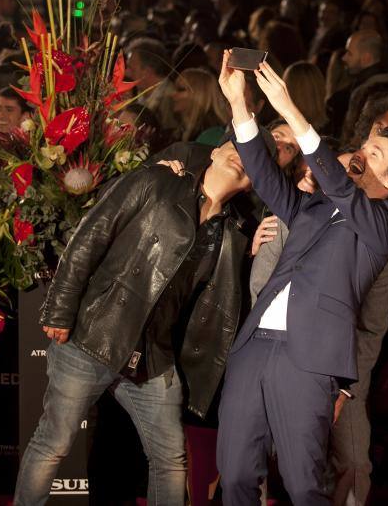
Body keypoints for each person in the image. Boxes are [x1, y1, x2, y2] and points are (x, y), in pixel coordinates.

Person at [216, 53, 388, 505]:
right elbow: (268, 180)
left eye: (377, 154)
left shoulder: (385, 223)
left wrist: (290, 108)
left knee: (304, 484)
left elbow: (342, 185)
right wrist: (239, 106)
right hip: (255, 346)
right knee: (233, 478)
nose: (362, 154)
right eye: (364, 147)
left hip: (308, 359)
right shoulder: (313, 206)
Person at [13, 139, 255, 506]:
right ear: (213, 152)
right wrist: (59, 309)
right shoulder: (157, 181)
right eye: (231, 146)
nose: (240, 156)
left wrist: (249, 251)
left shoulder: (232, 233)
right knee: (53, 443)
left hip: (153, 356)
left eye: (251, 158)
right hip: (96, 333)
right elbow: (88, 238)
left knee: (170, 459)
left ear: (254, 181)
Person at [172, 67, 230, 142]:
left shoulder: (211, 132)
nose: (173, 95)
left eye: (181, 89)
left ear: (198, 94)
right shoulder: (182, 127)